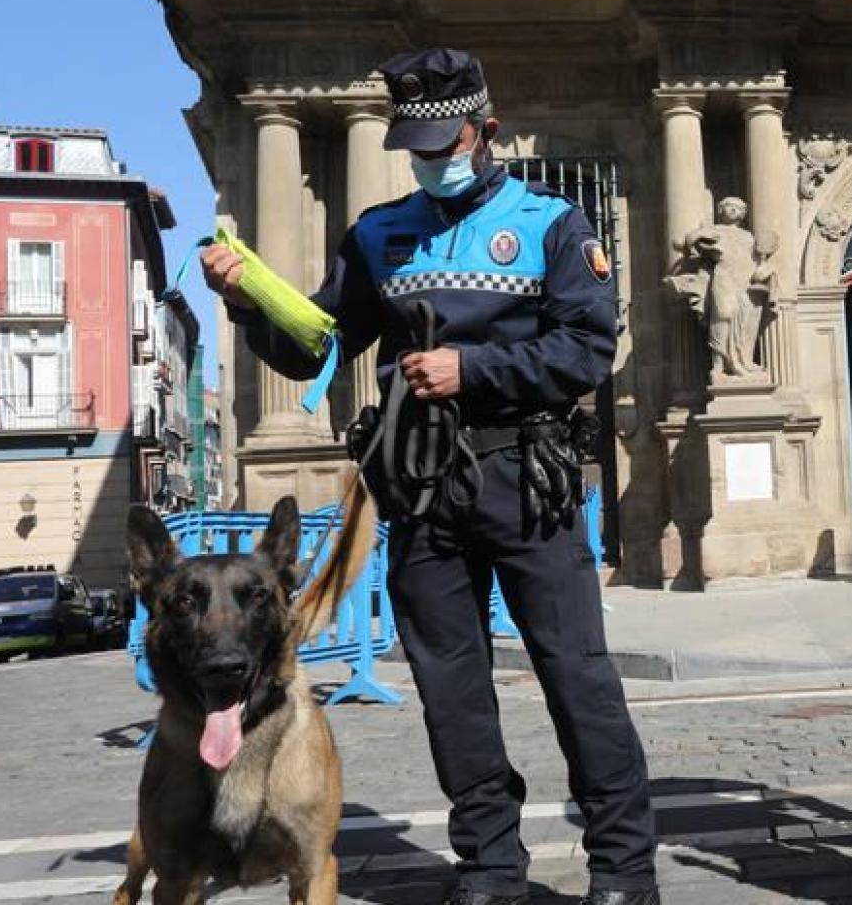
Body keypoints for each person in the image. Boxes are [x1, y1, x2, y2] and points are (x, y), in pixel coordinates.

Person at [202, 48, 658, 905]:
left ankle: (624, 871)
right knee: (452, 689)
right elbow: (314, 346)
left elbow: (587, 349)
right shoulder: (378, 233)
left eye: (444, 142)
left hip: (525, 479)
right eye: (415, 145)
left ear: (485, 132)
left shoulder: (552, 222)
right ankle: (489, 867)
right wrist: (245, 297)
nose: (429, 158)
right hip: (420, 488)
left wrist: (473, 369)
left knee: (577, 676)